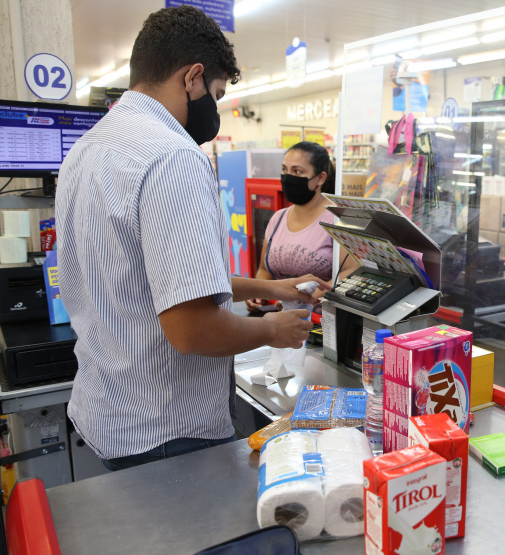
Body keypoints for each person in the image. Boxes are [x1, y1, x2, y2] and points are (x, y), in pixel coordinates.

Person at [56, 6, 328, 471]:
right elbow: (191, 328)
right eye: (217, 94)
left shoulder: (87, 149)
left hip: (109, 412)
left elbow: (151, 278)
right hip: (167, 429)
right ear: (193, 78)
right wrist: (272, 330)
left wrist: (270, 287)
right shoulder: (172, 158)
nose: (214, 110)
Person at [246, 141, 357, 312]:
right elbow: (264, 270)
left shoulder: (338, 219)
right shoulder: (278, 219)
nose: (288, 177)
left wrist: (305, 297)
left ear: (320, 178)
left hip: (321, 323)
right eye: (285, 170)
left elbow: (350, 272)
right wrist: (258, 292)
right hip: (280, 319)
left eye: (297, 171)